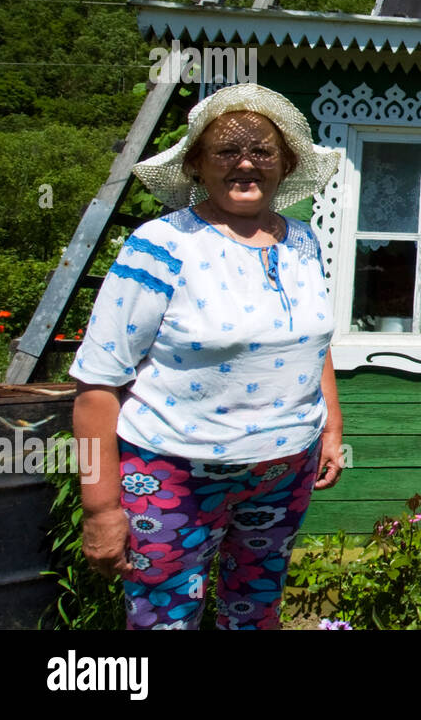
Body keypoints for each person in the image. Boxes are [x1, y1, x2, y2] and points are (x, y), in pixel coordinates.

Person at [70, 83, 344, 629]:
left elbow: (311, 342)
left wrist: (331, 429)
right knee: (163, 618)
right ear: (197, 164)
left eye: (262, 151)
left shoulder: (304, 241)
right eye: (226, 151)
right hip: (174, 472)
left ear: (285, 164)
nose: (246, 163)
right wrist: (100, 509)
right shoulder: (160, 246)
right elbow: (97, 384)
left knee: (255, 611)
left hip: (284, 469)